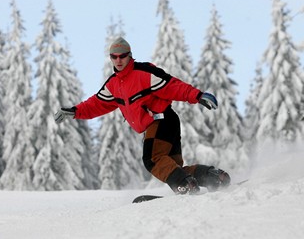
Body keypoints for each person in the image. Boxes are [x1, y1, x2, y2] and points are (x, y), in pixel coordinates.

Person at [54, 37, 231, 194]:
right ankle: (212, 177)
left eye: (122, 55)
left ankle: (184, 185)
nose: (118, 60)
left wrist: (197, 96)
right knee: (172, 167)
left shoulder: (144, 73)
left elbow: (171, 85)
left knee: (152, 160)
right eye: (114, 56)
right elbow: (97, 104)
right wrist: (75, 111)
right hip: (163, 124)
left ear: (130, 55)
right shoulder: (113, 84)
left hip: (161, 120)